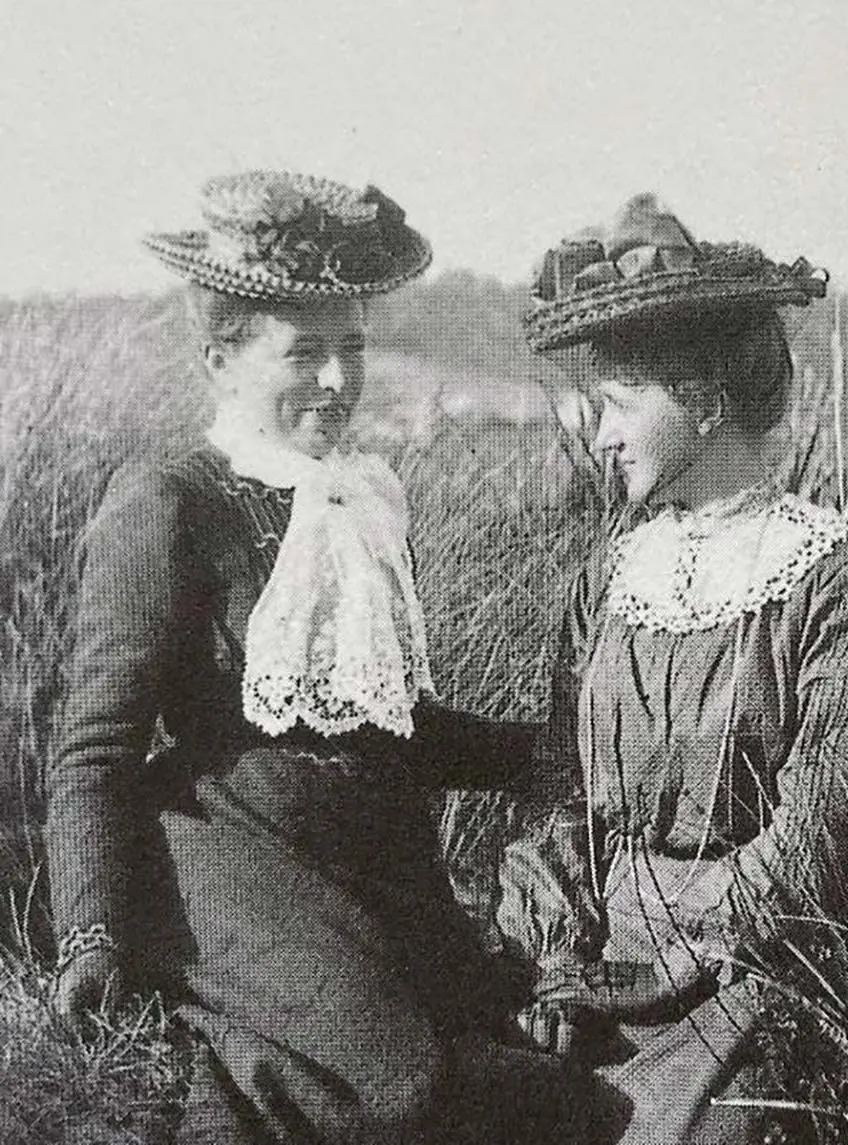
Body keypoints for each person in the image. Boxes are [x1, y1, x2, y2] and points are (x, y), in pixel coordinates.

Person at [45, 170, 610, 1144]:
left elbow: (388, 719)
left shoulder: (366, 498)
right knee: (405, 1089)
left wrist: (549, 749)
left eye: (352, 348)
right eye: (303, 352)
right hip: (227, 849)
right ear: (221, 356)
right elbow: (94, 744)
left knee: (529, 1054)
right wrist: (89, 932)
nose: (337, 382)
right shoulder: (171, 500)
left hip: (379, 856)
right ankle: (206, 1028)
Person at [504, 194, 848, 1144]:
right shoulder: (611, 574)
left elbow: (823, 834)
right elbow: (560, 790)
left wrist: (670, 963)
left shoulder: (836, 583)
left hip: (749, 977)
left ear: (707, 397)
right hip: (589, 963)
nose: (599, 435)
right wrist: (557, 941)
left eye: (619, 404)